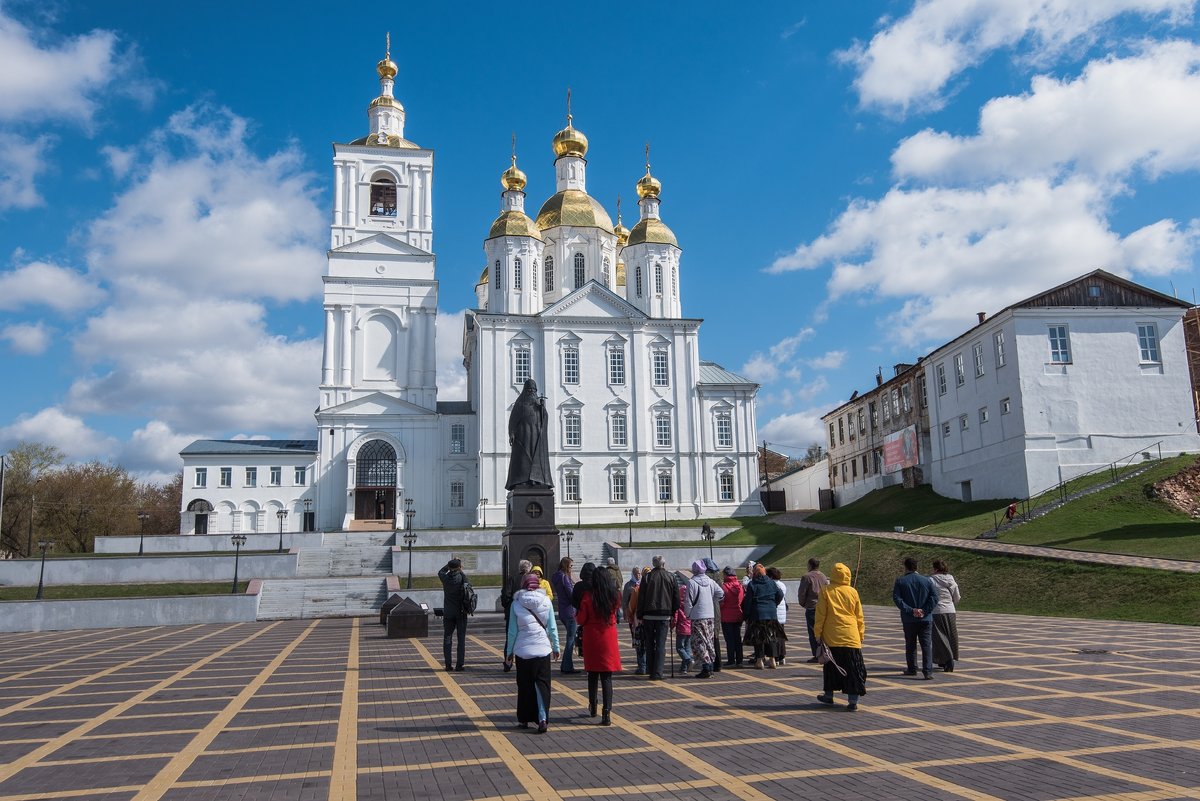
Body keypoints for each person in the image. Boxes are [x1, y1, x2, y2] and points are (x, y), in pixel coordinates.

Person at [504, 573, 561, 733]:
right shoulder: (546, 602)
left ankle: (524, 719)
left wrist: (509, 653)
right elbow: (552, 627)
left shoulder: (516, 604)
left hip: (523, 650)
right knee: (542, 685)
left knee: (524, 686)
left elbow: (512, 632)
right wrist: (556, 647)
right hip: (542, 650)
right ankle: (542, 719)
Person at [814, 562, 868, 711]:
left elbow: (820, 615)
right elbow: (859, 616)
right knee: (853, 669)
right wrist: (861, 634)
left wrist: (817, 634)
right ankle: (853, 701)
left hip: (832, 636)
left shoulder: (826, 591)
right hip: (851, 636)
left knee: (831, 667)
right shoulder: (853, 592)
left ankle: (829, 695)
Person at [576, 566, 621, 725]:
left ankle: (593, 705)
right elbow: (615, 612)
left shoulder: (588, 596)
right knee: (607, 677)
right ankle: (607, 713)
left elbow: (581, 619)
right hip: (608, 636)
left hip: (592, 637)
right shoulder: (614, 596)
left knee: (592, 674)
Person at [892, 556, 939, 679]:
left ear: (906, 567)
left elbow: (897, 599)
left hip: (909, 619)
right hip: (925, 618)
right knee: (926, 645)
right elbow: (934, 598)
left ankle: (912, 668)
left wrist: (911, 610)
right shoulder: (927, 580)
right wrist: (924, 610)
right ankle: (927, 671)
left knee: (911, 644)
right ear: (916, 567)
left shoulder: (901, 581)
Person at [634, 555, 679, 680]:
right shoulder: (671, 576)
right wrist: (673, 611)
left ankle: (650, 669)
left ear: (654, 564)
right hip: (664, 615)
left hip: (648, 614)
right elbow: (676, 596)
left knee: (649, 643)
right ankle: (658, 672)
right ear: (663, 564)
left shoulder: (647, 576)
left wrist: (640, 614)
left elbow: (641, 597)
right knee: (660, 644)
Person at [506, 378, 552, 490]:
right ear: (525, 390)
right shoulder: (520, 403)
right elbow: (513, 420)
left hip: (536, 438)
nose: (531, 392)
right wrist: (511, 433)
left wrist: (542, 408)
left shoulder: (538, 406)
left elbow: (544, 419)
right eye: (529, 389)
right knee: (522, 460)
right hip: (522, 437)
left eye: (533, 390)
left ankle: (537, 480)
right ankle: (521, 480)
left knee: (537, 458)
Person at [683, 559, 724, 678]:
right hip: (710, 616)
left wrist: (688, 614)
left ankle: (706, 667)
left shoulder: (692, 582)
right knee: (709, 641)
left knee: (699, 642)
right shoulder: (711, 581)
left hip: (697, 616)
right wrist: (712, 599)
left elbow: (688, 601)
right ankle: (710, 666)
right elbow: (721, 593)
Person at [742, 564, 785, 669]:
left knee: (758, 638)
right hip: (771, 613)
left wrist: (746, 614)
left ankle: (760, 661)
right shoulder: (771, 583)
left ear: (755, 573)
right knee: (771, 636)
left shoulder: (753, 584)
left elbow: (748, 601)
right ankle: (772, 660)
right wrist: (774, 604)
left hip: (757, 614)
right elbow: (780, 594)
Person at [500, 559, 533, 672]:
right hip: (527, 613)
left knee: (510, 637)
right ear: (529, 569)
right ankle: (524, 662)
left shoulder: (512, 578)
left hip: (513, 612)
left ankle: (508, 662)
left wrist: (508, 606)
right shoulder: (531, 580)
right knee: (525, 637)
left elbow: (505, 595)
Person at [930, 559, 962, 672]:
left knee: (939, 637)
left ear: (935, 569)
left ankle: (947, 660)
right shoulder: (951, 578)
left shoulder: (931, 580)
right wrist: (951, 603)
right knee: (951, 635)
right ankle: (944, 659)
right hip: (950, 610)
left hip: (937, 610)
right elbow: (957, 596)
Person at [438, 558, 469, 672]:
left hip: (448, 612)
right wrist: (460, 571)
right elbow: (468, 586)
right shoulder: (461, 577)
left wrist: (448, 566)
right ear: (459, 567)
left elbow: (440, 571)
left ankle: (448, 664)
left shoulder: (445, 578)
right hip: (461, 612)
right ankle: (459, 665)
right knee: (461, 640)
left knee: (447, 638)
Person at [797, 558, 829, 664]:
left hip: (811, 607)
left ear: (810, 565)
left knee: (813, 632)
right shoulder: (823, 576)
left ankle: (817, 654)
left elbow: (802, 593)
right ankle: (826, 652)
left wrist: (803, 603)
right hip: (823, 607)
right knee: (823, 631)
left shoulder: (807, 577)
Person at [549, 557, 578, 674]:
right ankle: (566, 666)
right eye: (571, 566)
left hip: (562, 611)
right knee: (570, 639)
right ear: (566, 566)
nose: (571, 569)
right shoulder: (565, 578)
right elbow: (571, 594)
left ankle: (567, 665)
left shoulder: (557, 577)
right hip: (570, 611)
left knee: (570, 638)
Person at [621, 567, 646, 675]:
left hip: (643, 618)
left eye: (639, 573)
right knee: (638, 641)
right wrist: (626, 614)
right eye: (636, 574)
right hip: (633, 619)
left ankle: (644, 666)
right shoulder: (628, 585)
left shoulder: (645, 584)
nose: (638, 575)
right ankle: (642, 666)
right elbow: (625, 601)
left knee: (644, 642)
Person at [719, 566, 745, 667]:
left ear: (726, 575)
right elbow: (741, 600)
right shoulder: (740, 586)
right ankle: (739, 660)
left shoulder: (723, 587)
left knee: (729, 639)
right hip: (738, 615)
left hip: (726, 616)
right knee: (738, 638)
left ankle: (731, 660)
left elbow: (721, 603)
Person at [702, 558, 723, 672]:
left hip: (708, 607)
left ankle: (711, 662)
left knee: (707, 637)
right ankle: (718, 663)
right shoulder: (717, 576)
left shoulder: (706, 576)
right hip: (716, 607)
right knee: (715, 636)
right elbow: (721, 592)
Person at [572, 562, 595, 660]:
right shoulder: (596, 585)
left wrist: (579, 607)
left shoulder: (578, 586)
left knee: (584, 639)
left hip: (582, 616)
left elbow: (573, 601)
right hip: (594, 615)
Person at [767, 566, 788, 665]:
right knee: (781, 636)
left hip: (774, 613)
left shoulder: (771, 585)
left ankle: (775, 657)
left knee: (773, 636)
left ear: (770, 576)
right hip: (782, 613)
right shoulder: (782, 585)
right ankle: (782, 656)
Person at [673, 584, 693, 674]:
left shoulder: (678, 605)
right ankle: (684, 668)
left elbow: (675, 618)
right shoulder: (690, 603)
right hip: (690, 628)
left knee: (679, 647)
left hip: (681, 628)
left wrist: (672, 625)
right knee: (687, 648)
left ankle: (688, 660)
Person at [604, 558, 623, 622]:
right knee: (617, 604)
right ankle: (618, 617)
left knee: (611, 605)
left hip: (610, 590)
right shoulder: (618, 569)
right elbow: (621, 579)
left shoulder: (607, 570)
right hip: (618, 590)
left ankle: (613, 618)